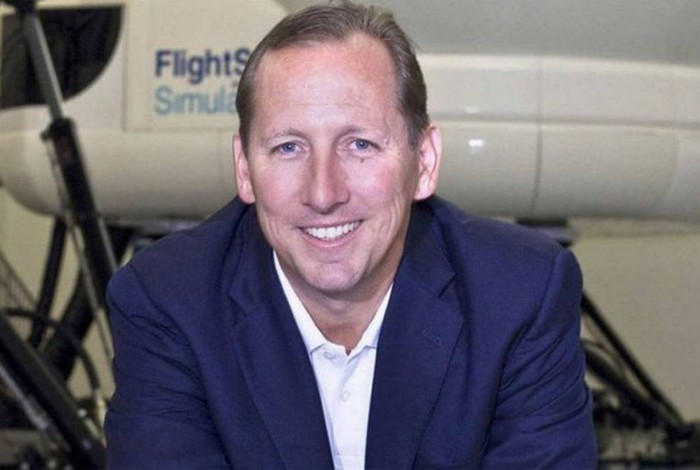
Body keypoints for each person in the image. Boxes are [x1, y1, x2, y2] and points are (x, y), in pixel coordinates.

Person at [105, 1, 597, 468]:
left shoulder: (518, 294)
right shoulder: (167, 301)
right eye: (289, 147)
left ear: (424, 162)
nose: (323, 193)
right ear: (244, 168)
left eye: (359, 145)